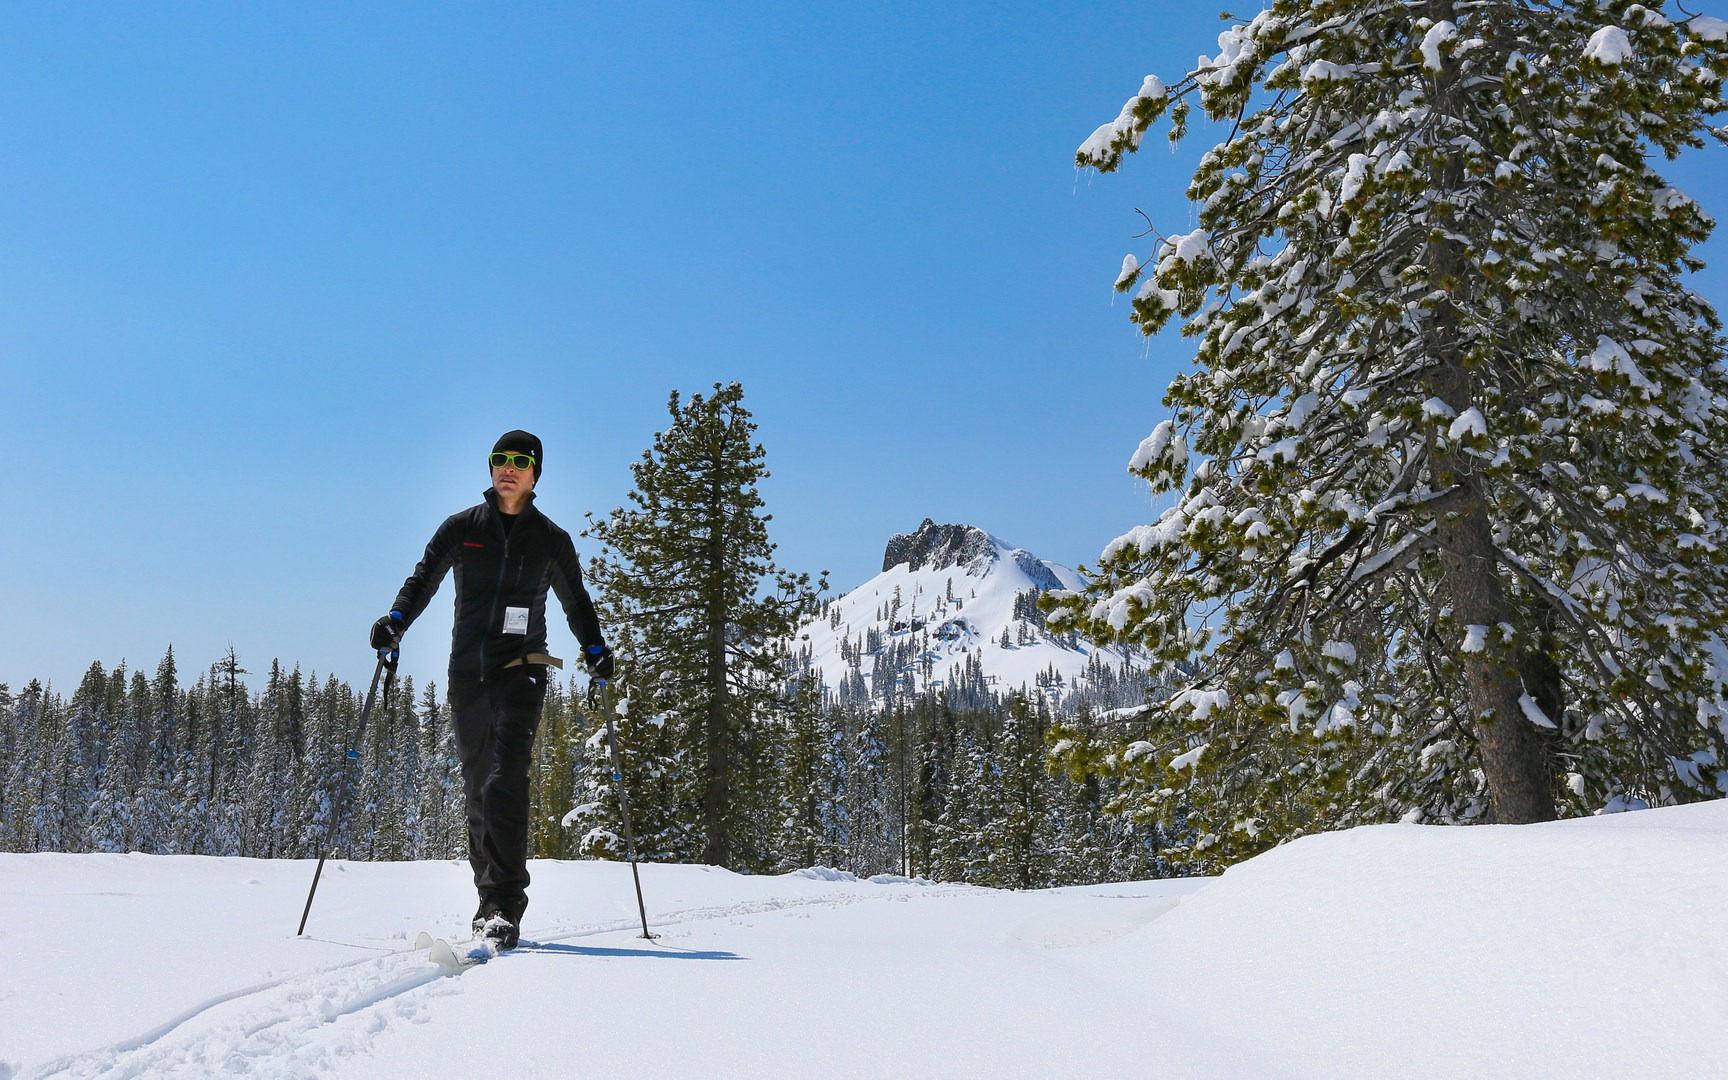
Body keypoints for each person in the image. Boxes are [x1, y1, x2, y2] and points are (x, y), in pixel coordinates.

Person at [371, 429, 613, 949]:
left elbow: (577, 603)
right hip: (468, 674)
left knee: (506, 777)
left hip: (522, 669)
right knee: (480, 785)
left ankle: (504, 903)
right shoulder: (462, 529)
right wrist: (395, 622)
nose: (508, 467)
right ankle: (488, 897)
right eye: (500, 459)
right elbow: (423, 580)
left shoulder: (550, 539)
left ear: (535, 473)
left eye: (520, 461)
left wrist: (595, 649)